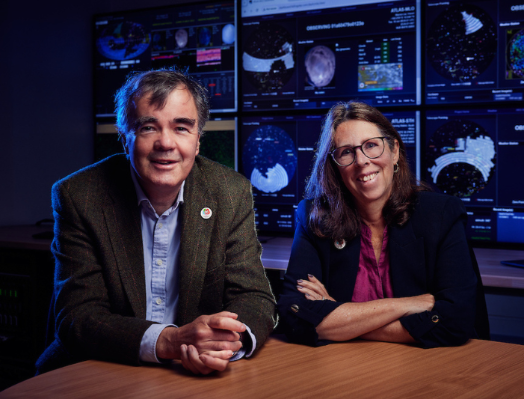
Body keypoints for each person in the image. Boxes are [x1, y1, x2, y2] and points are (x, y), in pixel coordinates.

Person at [37, 69, 276, 375]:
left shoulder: (230, 192)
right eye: (149, 127)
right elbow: (78, 317)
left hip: (191, 374)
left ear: (198, 141)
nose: (166, 143)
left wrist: (223, 345)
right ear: (124, 139)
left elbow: (255, 297)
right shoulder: (79, 196)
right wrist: (170, 341)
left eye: (181, 128)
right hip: (95, 368)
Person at [277, 102, 488, 347]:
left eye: (371, 146)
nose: (362, 161)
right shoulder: (315, 217)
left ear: (394, 150)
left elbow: (455, 322)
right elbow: (294, 318)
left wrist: (341, 317)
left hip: (430, 370)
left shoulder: (441, 215)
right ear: (335, 166)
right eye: (346, 152)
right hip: (343, 369)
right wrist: (408, 304)